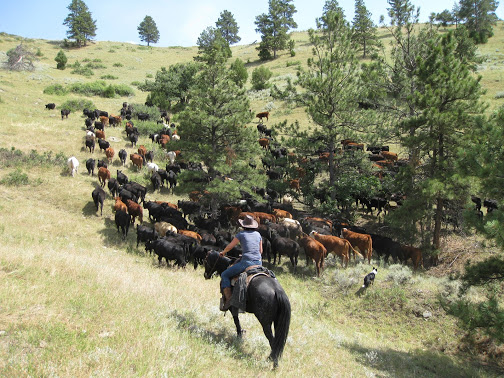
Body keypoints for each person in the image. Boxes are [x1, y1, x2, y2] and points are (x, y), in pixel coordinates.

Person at [219, 214, 263, 311]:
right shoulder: (258, 234)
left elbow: (230, 246)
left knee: (225, 275)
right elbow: (260, 251)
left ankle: (229, 299)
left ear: (243, 225)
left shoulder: (241, 234)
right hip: (259, 262)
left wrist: (223, 252)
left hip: (247, 262)